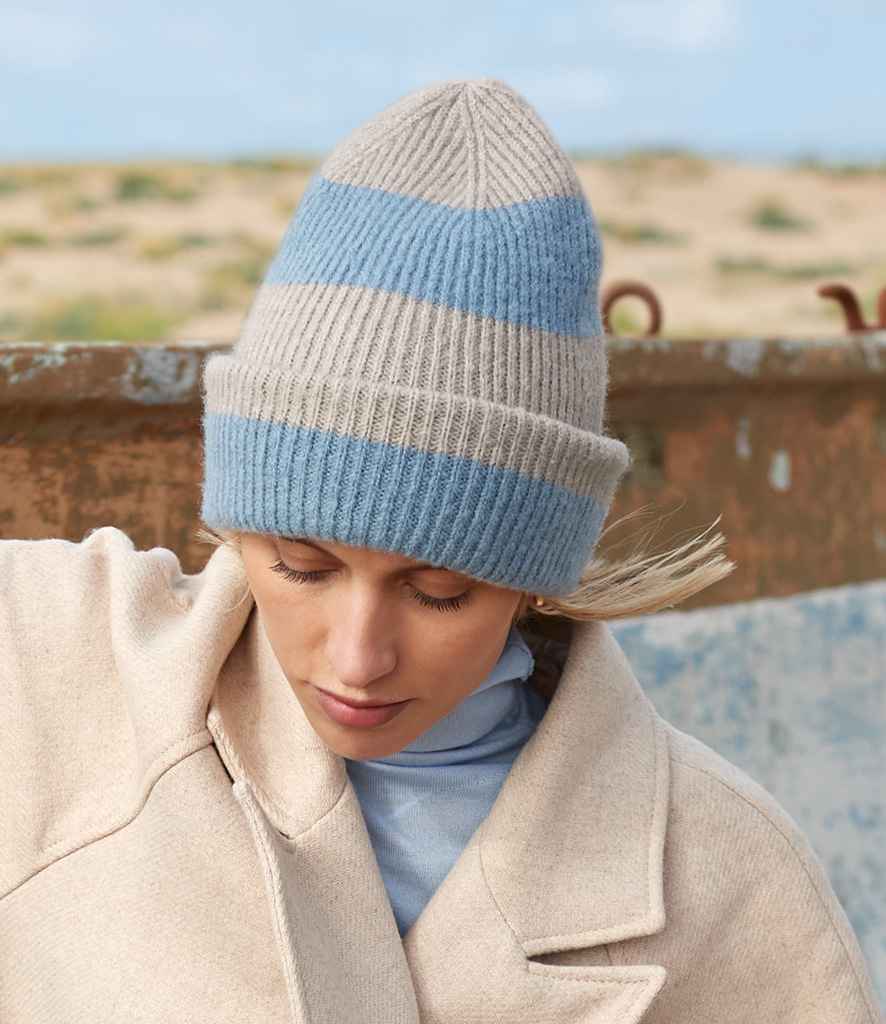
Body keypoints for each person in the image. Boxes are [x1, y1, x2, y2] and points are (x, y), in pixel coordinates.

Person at [0, 78, 880, 1024]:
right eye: (302, 567)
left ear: (533, 581)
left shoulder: (729, 881)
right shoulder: (59, 661)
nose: (357, 659)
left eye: (440, 590)